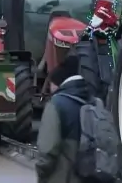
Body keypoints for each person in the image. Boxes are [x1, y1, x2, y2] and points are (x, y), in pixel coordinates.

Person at [35, 55, 88, 183]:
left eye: (51, 85)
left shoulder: (56, 105)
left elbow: (47, 151)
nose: (50, 89)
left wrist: (41, 175)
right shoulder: (94, 102)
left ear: (58, 83)